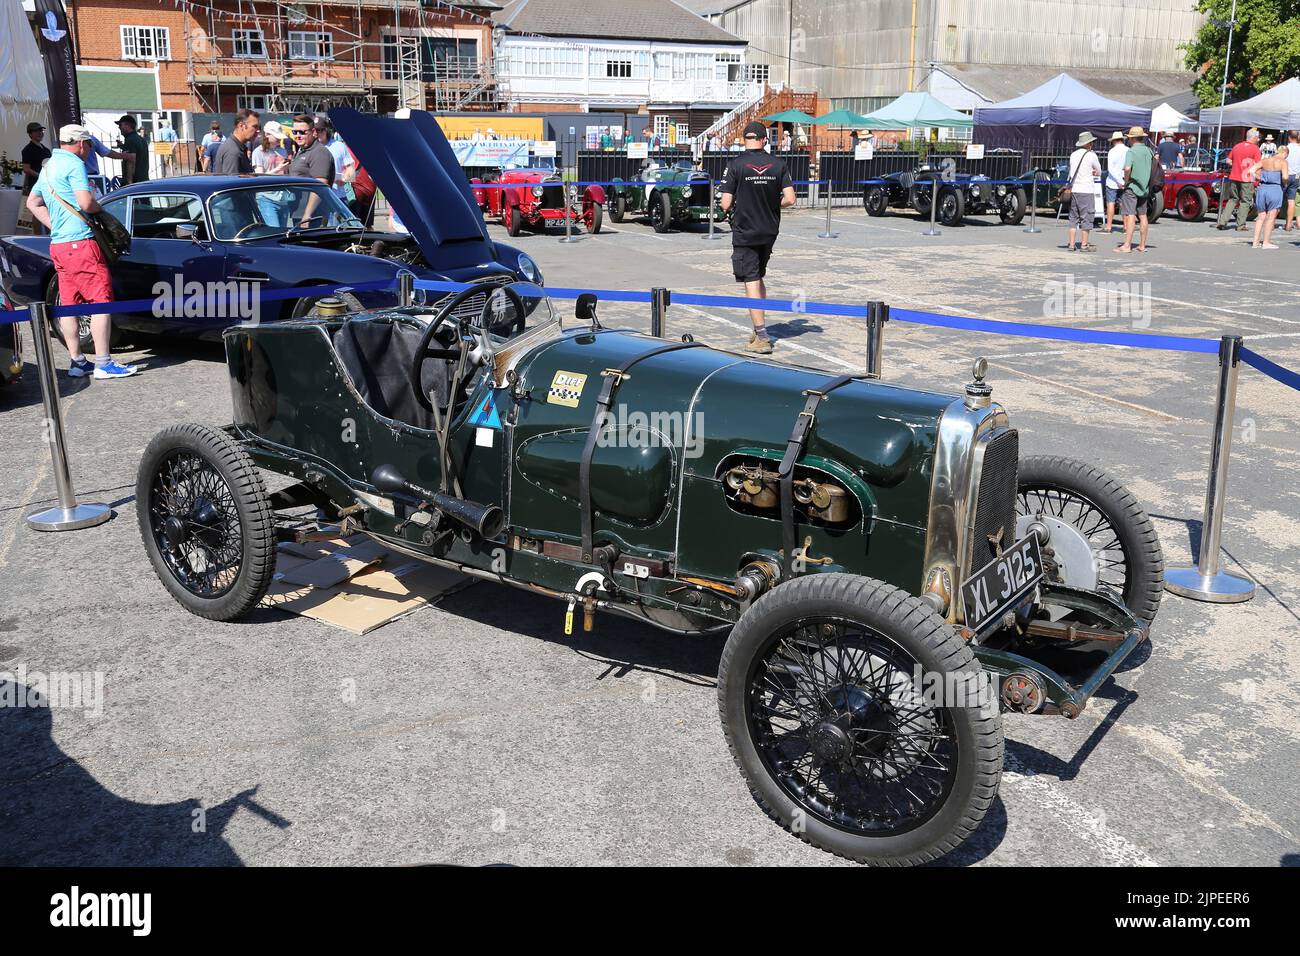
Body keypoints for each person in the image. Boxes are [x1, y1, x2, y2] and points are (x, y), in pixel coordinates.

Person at [25, 125, 136, 379]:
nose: (89, 150)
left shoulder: (49, 166)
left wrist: (56, 225)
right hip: (81, 244)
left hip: (60, 245)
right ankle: (104, 362)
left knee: (69, 304)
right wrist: (98, 209)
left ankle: (77, 361)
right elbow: (86, 203)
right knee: (100, 301)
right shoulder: (74, 164)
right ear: (82, 143)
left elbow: (33, 202)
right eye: (89, 145)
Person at [718, 121, 796, 355]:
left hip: (745, 230)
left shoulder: (736, 165)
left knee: (750, 278)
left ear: (745, 140)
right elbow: (790, 199)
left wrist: (730, 209)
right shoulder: (778, 164)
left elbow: (725, 203)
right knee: (758, 275)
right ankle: (758, 326)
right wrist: (774, 204)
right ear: (764, 140)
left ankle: (762, 336)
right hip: (769, 229)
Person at [287, 114, 334, 226]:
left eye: (302, 132)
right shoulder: (302, 150)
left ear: (313, 132)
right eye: (295, 132)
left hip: (313, 215)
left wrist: (307, 215)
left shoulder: (319, 152)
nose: (298, 136)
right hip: (298, 212)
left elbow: (320, 184)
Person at [1116, 126, 1154, 254]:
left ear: (1131, 138)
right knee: (1143, 216)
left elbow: (1127, 168)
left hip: (1132, 186)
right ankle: (1142, 245)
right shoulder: (1149, 151)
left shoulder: (1131, 151)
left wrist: (1126, 181)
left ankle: (1127, 245)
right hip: (1145, 187)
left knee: (1130, 215)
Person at [1215, 128, 1261, 231]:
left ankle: (1222, 222)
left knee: (1232, 199)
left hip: (1234, 176)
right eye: (1257, 138)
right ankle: (1240, 225)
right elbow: (1258, 165)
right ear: (1253, 137)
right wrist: (1258, 178)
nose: (1258, 140)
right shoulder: (1255, 149)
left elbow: (1228, 161)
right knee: (1245, 201)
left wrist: (1236, 165)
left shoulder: (1237, 146)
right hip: (1247, 178)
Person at [1065, 131, 1102, 251]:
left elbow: (1071, 172)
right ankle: (1084, 244)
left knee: (1073, 218)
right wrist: (1094, 172)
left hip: (1075, 189)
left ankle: (1071, 244)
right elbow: (1099, 171)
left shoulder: (1073, 155)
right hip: (1086, 190)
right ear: (1088, 143)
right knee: (1087, 217)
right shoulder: (1092, 155)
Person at [1249, 147, 1287, 249]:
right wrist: (1285, 184)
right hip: (1275, 188)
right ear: (1284, 153)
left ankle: (1255, 242)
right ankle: (1266, 242)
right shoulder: (1283, 162)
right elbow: (1285, 177)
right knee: (1271, 217)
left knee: (1261, 217)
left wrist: (1260, 178)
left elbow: (1251, 170)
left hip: (1263, 188)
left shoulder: (1264, 161)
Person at [314, 115, 352, 201]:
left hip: (339, 197)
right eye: (314, 131)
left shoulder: (340, 146)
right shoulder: (309, 148)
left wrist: (345, 179)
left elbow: (350, 168)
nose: (316, 133)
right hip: (316, 197)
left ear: (326, 130)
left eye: (319, 130)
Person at [212, 108, 259, 176]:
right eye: (255, 126)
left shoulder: (237, 148)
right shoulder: (233, 152)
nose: (258, 130)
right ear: (241, 126)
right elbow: (232, 183)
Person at [1103, 130, 1127, 233]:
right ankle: (1126, 226)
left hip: (1112, 181)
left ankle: (1109, 226)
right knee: (1124, 204)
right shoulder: (1128, 150)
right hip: (1124, 180)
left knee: (1110, 203)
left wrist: (1117, 180)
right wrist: (1122, 180)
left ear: (1114, 141)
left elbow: (1111, 168)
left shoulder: (1112, 151)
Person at [116, 114, 150, 183]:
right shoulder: (141, 139)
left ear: (128, 125)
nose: (119, 127)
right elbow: (138, 154)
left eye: (120, 125)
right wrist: (122, 146)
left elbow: (131, 162)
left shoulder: (130, 140)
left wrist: (129, 183)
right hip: (143, 180)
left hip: (134, 182)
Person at [20, 122, 50, 196]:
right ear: (30, 134)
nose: (40, 133)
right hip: (36, 186)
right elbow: (26, 169)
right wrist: (41, 176)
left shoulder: (46, 150)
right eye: (36, 131)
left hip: (49, 185)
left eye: (41, 130)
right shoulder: (28, 150)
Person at [1283, 130, 1300, 231]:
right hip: (1296, 176)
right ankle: (1289, 224)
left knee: (1279, 200)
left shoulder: (1285, 149)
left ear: (1289, 137)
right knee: (1291, 200)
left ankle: (1271, 224)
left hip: (1285, 175)